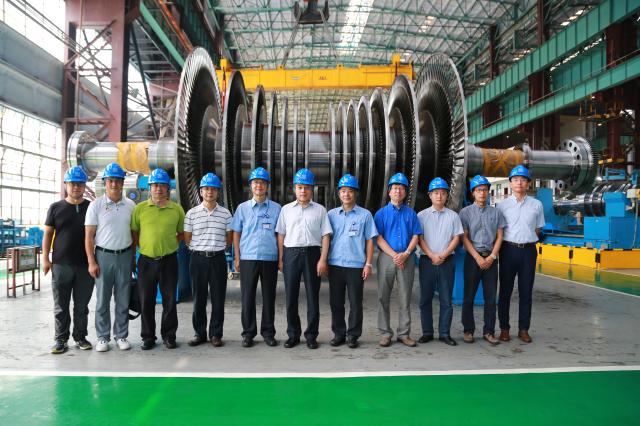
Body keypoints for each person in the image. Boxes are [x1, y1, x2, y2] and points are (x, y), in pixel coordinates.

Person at [275, 168, 332, 349]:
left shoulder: (320, 210)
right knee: (290, 297)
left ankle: (311, 336)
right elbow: (281, 235)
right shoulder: (286, 210)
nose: (303, 191)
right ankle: (293, 335)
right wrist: (281, 258)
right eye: (300, 187)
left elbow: (325, 235)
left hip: (312, 254)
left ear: (312, 188)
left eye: (307, 187)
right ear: (295, 188)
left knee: (312, 297)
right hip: (291, 254)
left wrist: (323, 259)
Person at [130, 168, 185, 350]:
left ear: (168, 188)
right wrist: (143, 248)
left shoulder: (176, 209)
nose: (158, 189)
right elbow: (134, 233)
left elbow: (182, 233)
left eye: (162, 185)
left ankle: (169, 336)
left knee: (169, 300)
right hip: (146, 261)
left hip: (169, 261)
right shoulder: (140, 209)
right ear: (150, 187)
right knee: (146, 300)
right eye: (155, 185)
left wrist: (170, 244)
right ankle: (148, 337)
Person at [42, 166, 94, 354]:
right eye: (73, 184)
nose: (76, 187)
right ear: (66, 185)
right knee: (61, 306)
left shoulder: (91, 207)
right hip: (60, 265)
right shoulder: (55, 208)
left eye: (80, 184)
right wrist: (45, 259)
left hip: (84, 265)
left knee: (81, 306)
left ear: (84, 186)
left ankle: (80, 337)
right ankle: (61, 339)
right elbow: (48, 234)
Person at [85, 163, 136, 352]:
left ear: (123, 183)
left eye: (118, 181)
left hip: (125, 256)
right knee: (102, 300)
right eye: (111, 181)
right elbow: (89, 236)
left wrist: (133, 258)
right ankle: (103, 337)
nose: (114, 184)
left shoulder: (131, 206)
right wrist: (91, 261)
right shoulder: (96, 205)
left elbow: (134, 234)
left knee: (123, 299)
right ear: (105, 182)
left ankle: (121, 336)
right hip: (103, 256)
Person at [230, 167, 281, 348]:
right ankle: (248, 333)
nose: (259, 186)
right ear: (251, 185)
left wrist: (280, 258)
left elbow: (279, 235)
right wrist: (237, 257)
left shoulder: (276, 209)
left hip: (270, 258)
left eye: (262, 182)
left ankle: (268, 333)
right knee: (247, 297)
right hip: (248, 258)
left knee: (269, 297)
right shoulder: (242, 208)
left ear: (267, 186)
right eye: (256, 182)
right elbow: (236, 233)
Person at [327, 174, 378, 349]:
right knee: (336, 302)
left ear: (355, 193)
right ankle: (339, 334)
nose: (346, 194)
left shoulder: (365, 215)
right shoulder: (331, 215)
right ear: (339, 193)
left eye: (350, 191)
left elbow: (370, 240)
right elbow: (326, 239)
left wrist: (368, 264)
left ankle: (353, 335)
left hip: (356, 266)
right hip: (335, 265)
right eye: (343, 191)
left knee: (355, 303)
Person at [497, 165, 545, 343]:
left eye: (523, 180)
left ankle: (524, 329)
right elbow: (499, 230)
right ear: (510, 183)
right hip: (508, 250)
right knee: (505, 292)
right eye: (516, 180)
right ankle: (504, 329)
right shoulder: (502, 206)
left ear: (528, 183)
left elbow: (538, 229)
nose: (519, 183)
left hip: (528, 252)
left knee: (526, 292)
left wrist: (526, 239)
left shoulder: (536, 205)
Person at [184, 173, 233, 348]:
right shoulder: (191, 214)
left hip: (218, 259)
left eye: (213, 189)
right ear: (201, 191)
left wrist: (217, 248)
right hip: (198, 259)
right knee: (199, 298)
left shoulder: (226, 214)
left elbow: (229, 238)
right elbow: (187, 238)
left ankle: (215, 334)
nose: (210, 192)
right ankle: (199, 333)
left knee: (218, 299)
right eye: (206, 189)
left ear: (218, 192)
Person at [374, 172, 422, 347]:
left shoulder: (411, 214)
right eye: (395, 188)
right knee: (383, 296)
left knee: (405, 297)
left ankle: (404, 333)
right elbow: (378, 237)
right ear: (389, 191)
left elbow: (416, 235)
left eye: (401, 188)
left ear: (405, 192)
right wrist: (395, 255)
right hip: (387, 258)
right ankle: (385, 333)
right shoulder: (381, 214)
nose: (398, 191)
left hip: (407, 258)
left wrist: (406, 253)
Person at [458, 175, 505, 346]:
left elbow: (500, 236)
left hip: (491, 259)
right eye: (478, 190)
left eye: (485, 190)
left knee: (491, 298)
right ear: (473, 193)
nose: (482, 193)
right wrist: (478, 257)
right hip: (473, 259)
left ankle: (489, 331)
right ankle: (468, 330)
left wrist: (492, 256)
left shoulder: (496, 212)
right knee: (468, 297)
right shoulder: (465, 213)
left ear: (488, 192)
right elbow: (464, 238)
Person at [417, 177, 463, 346]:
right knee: (425, 299)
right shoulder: (421, 216)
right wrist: (431, 255)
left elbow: (456, 238)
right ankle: (427, 332)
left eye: (442, 193)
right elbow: (419, 238)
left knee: (446, 299)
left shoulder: (453, 216)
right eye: (436, 193)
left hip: (447, 261)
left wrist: (443, 255)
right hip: (426, 261)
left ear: (446, 196)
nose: (439, 196)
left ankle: (445, 333)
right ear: (430, 195)